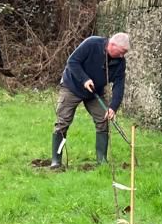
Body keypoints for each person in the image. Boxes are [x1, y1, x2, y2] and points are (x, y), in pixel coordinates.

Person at [50, 31, 129, 169]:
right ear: (112, 44)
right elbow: (72, 62)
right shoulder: (92, 43)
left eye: (125, 53)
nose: (122, 56)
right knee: (63, 122)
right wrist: (84, 79)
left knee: (103, 120)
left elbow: (119, 85)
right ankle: (56, 160)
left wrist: (113, 107)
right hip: (72, 86)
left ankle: (102, 160)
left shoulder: (120, 62)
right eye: (121, 52)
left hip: (94, 92)